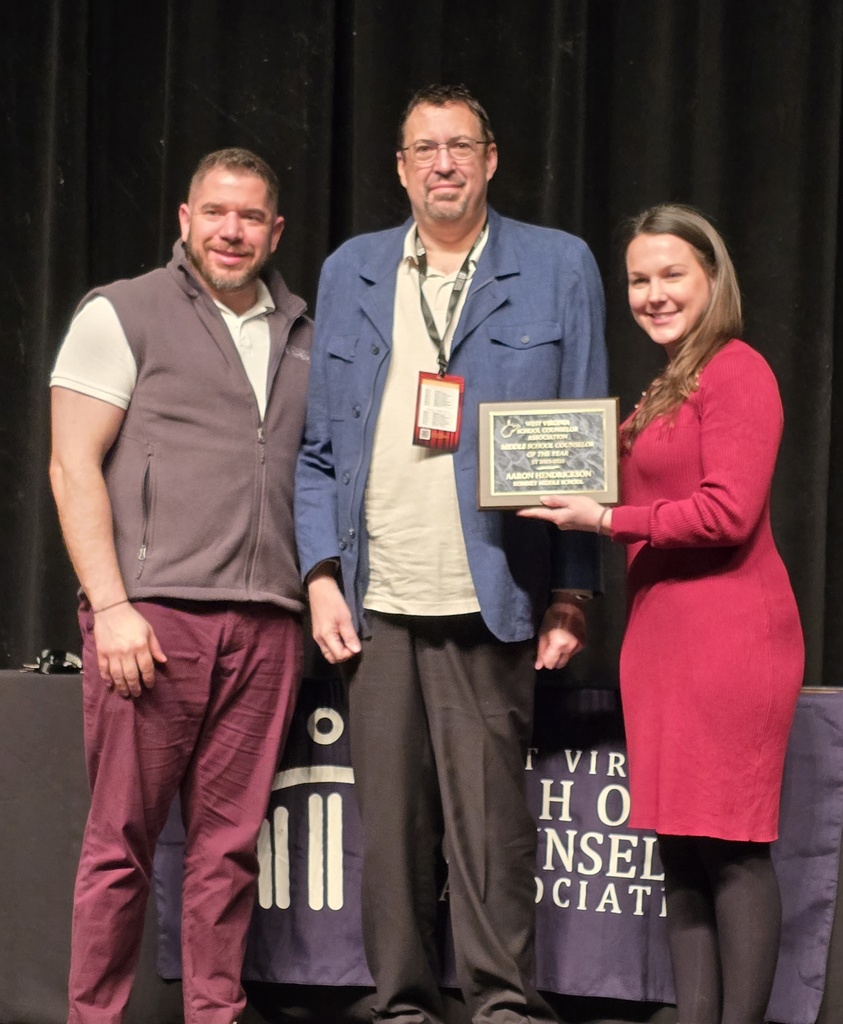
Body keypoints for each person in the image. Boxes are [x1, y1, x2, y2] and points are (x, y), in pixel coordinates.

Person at [295, 84, 607, 1023]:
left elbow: (582, 442)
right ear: (400, 167)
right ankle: (399, 1007)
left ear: (491, 159)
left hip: (495, 591)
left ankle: (502, 1004)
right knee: (388, 834)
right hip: (376, 594)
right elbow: (316, 452)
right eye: (424, 148)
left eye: (460, 146)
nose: (443, 163)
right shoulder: (351, 268)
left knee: (489, 829)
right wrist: (317, 577)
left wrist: (573, 595)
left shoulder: (557, 266)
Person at [519, 204, 804, 1024]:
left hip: (728, 637)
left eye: (670, 274)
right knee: (678, 849)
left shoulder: (736, 369)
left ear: (711, 278)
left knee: (733, 850)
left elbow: (725, 513)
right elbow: (581, 456)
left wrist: (604, 520)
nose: (652, 293)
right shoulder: (665, 384)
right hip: (662, 638)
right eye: (638, 279)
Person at [49, 147, 312, 1024]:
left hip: (268, 623)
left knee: (228, 851)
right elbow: (71, 465)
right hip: (153, 624)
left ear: (275, 230)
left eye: (249, 217)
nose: (231, 231)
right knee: (120, 844)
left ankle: (214, 1013)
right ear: (184, 218)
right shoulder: (121, 312)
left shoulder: (303, 331)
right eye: (215, 212)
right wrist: (112, 605)